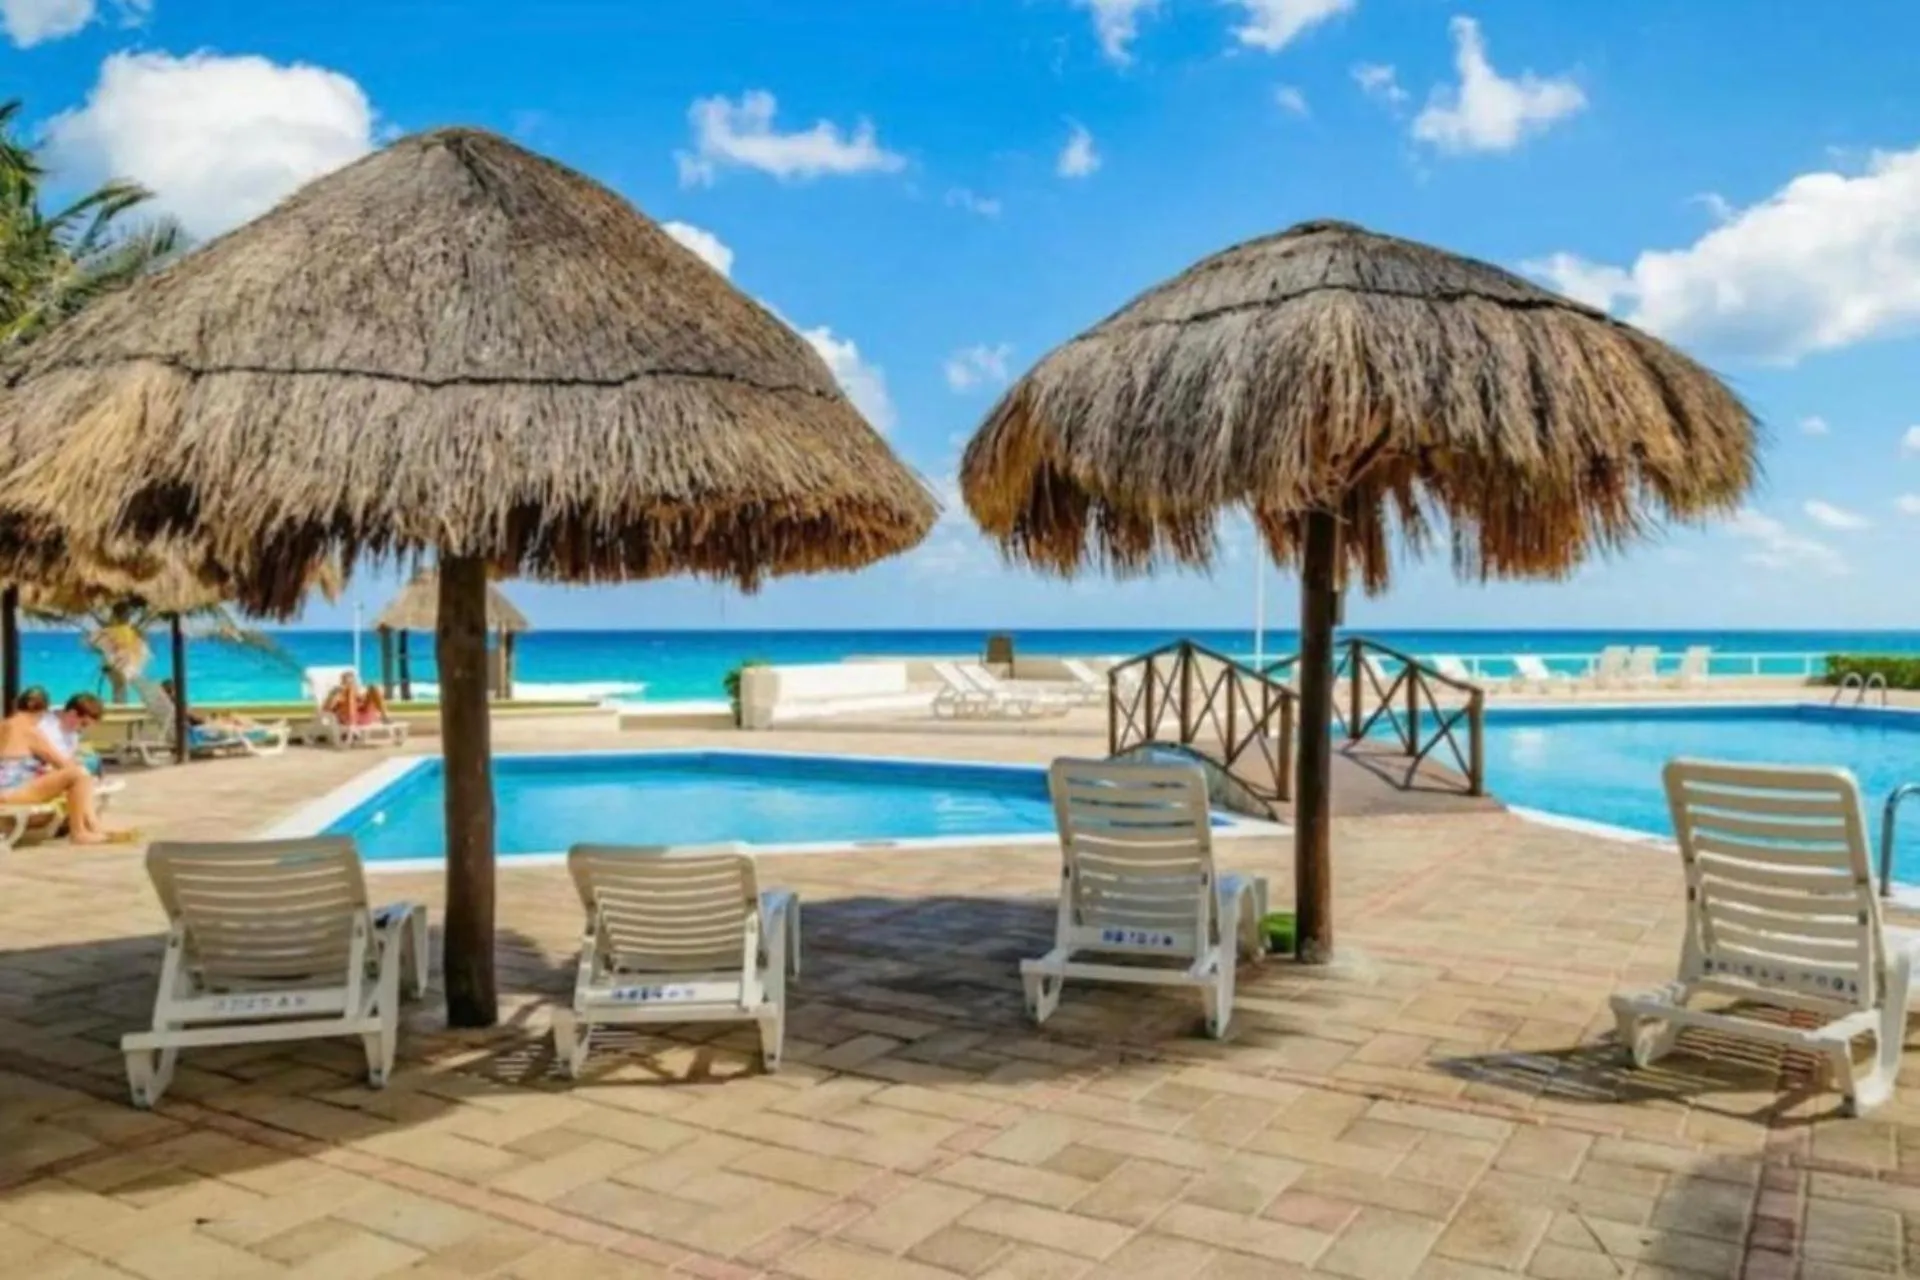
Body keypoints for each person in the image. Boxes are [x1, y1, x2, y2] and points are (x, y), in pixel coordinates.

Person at [0, 689, 124, 844]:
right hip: (11, 792)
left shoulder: (4, 725)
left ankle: (91, 827)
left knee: (78, 774)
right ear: (41, 711)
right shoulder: (30, 732)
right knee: (78, 775)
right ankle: (79, 832)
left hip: (7, 788)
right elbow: (63, 764)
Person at [40, 693, 105, 778]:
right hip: (44, 772)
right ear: (72, 714)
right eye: (84, 724)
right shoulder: (44, 728)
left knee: (94, 760)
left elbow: (68, 755)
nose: (83, 729)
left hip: (59, 768)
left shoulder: (71, 729)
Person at [324, 671, 390, 726]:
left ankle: (385, 716)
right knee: (350, 690)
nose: (350, 684)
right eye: (346, 683)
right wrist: (333, 694)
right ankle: (352, 723)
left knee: (373, 686)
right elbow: (326, 710)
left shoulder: (359, 695)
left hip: (363, 716)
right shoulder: (338, 695)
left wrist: (359, 697)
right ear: (342, 683)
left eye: (352, 682)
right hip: (347, 718)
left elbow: (365, 703)